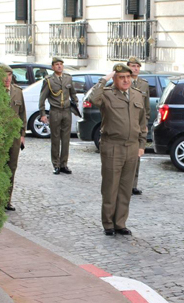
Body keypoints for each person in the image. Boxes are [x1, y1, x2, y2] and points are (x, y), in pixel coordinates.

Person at [88, 63, 147, 236]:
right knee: (110, 187)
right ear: (114, 79)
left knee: (125, 188)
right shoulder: (107, 95)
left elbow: (142, 123)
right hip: (112, 146)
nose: (126, 80)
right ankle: (108, 224)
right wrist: (104, 79)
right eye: (121, 77)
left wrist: (142, 145)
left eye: (128, 77)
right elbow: (93, 98)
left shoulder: (137, 95)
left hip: (132, 147)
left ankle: (120, 223)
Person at [38, 57, 78, 175]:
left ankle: (63, 164)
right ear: (52, 67)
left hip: (66, 111)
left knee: (66, 140)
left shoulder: (68, 78)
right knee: (55, 139)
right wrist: (43, 114)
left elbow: (72, 93)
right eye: (56, 64)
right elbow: (42, 98)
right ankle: (56, 164)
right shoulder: (49, 80)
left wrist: (75, 102)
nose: (59, 66)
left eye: (61, 64)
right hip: (55, 111)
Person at [1, 64, 27, 211]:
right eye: (4, 75)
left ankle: (7, 200)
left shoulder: (17, 92)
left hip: (14, 137)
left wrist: (22, 135)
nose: (7, 78)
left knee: (11, 167)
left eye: (9, 75)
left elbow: (22, 114)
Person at [127, 56, 150, 195]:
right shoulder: (125, 81)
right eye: (133, 66)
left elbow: (146, 107)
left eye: (137, 66)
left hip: (139, 123)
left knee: (138, 154)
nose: (135, 69)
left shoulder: (144, 84)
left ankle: (133, 185)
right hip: (127, 122)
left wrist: (146, 123)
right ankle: (125, 184)